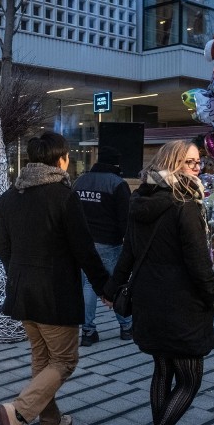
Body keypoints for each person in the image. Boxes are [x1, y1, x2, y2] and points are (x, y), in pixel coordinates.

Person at [104, 140, 214, 425]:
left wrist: (112, 289)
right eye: (190, 162)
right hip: (182, 303)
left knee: (163, 371)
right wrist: (213, 296)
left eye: (199, 163)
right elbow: (199, 261)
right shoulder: (186, 204)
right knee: (189, 380)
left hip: (150, 301)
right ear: (173, 162)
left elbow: (128, 252)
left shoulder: (141, 199)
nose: (196, 169)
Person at [0, 132, 110, 425]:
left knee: (42, 361)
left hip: (22, 293)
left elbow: (3, 247)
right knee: (64, 361)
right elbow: (84, 250)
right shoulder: (63, 196)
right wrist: (106, 289)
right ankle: (17, 412)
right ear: (60, 160)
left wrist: (19, 274)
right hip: (54, 295)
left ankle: (51, 421)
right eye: (67, 156)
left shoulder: (8, 198)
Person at [73, 146, 132, 346]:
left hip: (84, 244)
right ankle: (126, 326)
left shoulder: (80, 181)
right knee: (116, 282)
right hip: (110, 243)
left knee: (88, 285)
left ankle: (88, 332)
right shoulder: (118, 184)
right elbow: (126, 219)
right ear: (116, 164)